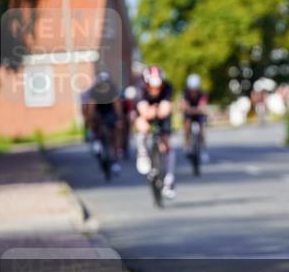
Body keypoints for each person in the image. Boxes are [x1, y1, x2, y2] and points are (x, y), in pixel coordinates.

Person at [134, 65, 177, 199]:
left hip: (160, 113)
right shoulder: (139, 88)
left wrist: (159, 110)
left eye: (158, 87)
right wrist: (152, 111)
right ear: (146, 83)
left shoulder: (168, 87)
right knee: (143, 126)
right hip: (145, 113)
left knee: (166, 144)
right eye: (152, 87)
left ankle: (169, 180)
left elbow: (165, 108)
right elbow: (143, 111)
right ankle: (142, 152)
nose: (155, 90)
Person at [83, 71, 124, 175]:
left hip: (110, 111)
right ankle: (96, 139)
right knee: (94, 121)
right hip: (99, 112)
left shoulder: (113, 89)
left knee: (115, 133)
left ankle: (115, 160)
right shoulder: (94, 90)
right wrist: (90, 120)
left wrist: (119, 119)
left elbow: (117, 104)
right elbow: (91, 106)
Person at [181, 74, 210, 163]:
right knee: (187, 125)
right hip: (190, 114)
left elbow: (203, 106)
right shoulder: (185, 94)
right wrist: (189, 109)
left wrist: (195, 110)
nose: (193, 91)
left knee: (202, 130)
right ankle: (187, 145)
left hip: (198, 114)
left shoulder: (202, 94)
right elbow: (183, 105)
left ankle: (203, 150)